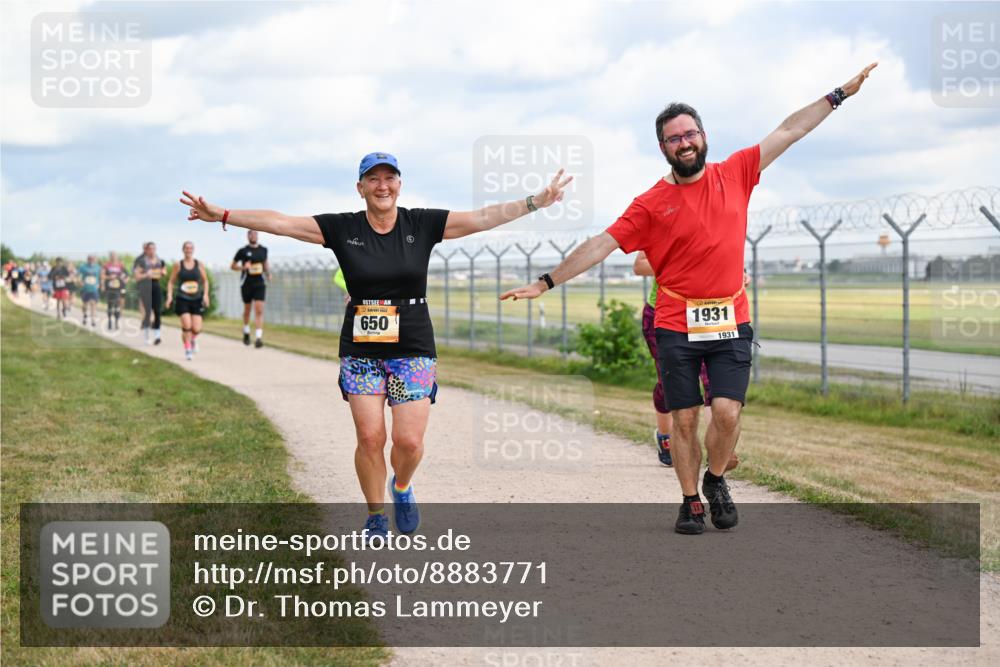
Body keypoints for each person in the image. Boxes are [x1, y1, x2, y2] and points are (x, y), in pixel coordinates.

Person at [503, 63, 877, 535]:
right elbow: (600, 244)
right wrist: (545, 281)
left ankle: (716, 479)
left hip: (729, 317)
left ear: (703, 137)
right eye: (674, 138)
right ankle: (689, 500)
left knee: (727, 411)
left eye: (691, 133)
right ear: (663, 149)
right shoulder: (649, 204)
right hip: (676, 320)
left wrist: (839, 94)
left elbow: (790, 129)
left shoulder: (737, 172)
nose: (685, 142)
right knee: (683, 418)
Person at [180, 151, 572, 541]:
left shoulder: (422, 223)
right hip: (362, 349)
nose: (382, 186)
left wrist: (536, 201)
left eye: (390, 178)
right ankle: (374, 516)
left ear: (400, 185)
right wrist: (226, 215)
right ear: (360, 187)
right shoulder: (341, 228)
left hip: (413, 345)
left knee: (409, 441)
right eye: (373, 179)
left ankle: (401, 486)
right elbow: (281, 223)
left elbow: (483, 218)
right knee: (370, 438)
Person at [635, 252, 743, 470]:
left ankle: (721, 448)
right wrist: (686, 263)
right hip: (666, 314)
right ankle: (665, 436)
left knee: (713, 380)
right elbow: (640, 266)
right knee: (671, 382)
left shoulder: (718, 221)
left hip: (708, 311)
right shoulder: (662, 220)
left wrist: (741, 274)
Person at [165, 241, 210, 361]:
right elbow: (171, 282)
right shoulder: (178, 265)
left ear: (193, 250)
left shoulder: (199, 264)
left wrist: (206, 295)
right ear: (183, 250)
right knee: (187, 326)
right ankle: (188, 349)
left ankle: (192, 339)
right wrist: (169, 296)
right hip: (182, 298)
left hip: (196, 299)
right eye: (186, 248)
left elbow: (205, 281)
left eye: (190, 248)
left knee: (197, 329)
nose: (188, 250)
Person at [231, 230, 270, 348]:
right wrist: (243, 267)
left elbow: (265, 263)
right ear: (248, 236)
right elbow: (232, 266)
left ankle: (258, 338)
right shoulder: (242, 251)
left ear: (257, 236)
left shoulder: (263, 250)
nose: (253, 236)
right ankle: (246, 331)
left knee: (259, 310)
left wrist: (268, 273)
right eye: (251, 234)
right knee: (247, 310)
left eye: (255, 234)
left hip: (260, 283)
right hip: (246, 283)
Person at [133, 242, 167, 345]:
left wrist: (163, 273)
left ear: (156, 249)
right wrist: (146, 275)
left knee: (157, 311)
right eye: (149, 249)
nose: (152, 251)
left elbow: (164, 271)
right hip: (145, 286)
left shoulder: (160, 261)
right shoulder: (141, 262)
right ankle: (146, 336)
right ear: (146, 250)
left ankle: (157, 336)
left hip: (156, 286)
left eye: (153, 248)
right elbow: (137, 276)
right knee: (148, 311)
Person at [101, 252, 129, 331]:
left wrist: (125, 280)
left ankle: (116, 322)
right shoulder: (106, 265)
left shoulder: (121, 265)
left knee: (117, 304)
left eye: (115, 256)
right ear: (110, 257)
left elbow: (127, 275)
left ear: (117, 257)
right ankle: (109, 320)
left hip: (118, 288)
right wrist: (109, 277)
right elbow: (102, 276)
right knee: (110, 305)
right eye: (112, 256)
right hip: (109, 288)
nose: (113, 257)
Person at [77, 255, 102, 327]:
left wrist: (100, 284)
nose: (91, 260)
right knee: (85, 304)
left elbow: (100, 276)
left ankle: (93, 320)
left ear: (94, 260)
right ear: (87, 260)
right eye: (90, 259)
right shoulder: (83, 267)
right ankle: (85, 315)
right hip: (85, 288)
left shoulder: (97, 267)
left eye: (92, 259)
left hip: (94, 288)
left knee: (93, 303)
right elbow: (79, 276)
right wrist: (80, 282)